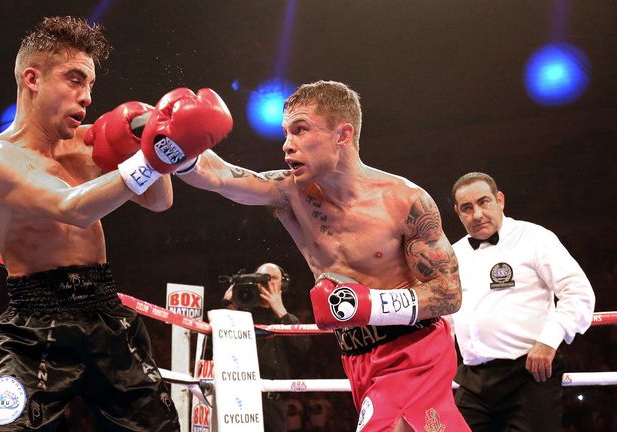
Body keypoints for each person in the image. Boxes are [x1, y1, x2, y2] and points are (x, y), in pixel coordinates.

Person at [0, 16, 231, 431]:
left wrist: (158, 140)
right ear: (32, 78)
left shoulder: (91, 140)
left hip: (106, 312)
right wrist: (154, 156)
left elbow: (159, 201)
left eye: (90, 84)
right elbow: (73, 206)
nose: (87, 97)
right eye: (74, 79)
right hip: (36, 322)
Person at [177, 80, 469, 431]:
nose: (287, 146)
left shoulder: (404, 201)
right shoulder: (289, 194)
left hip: (414, 350)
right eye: (285, 133)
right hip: (355, 357)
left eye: (300, 130)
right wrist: (171, 139)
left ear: (342, 135)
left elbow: (449, 293)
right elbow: (219, 176)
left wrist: (371, 305)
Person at [447, 172, 596, 431]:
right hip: (473, 380)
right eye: (467, 208)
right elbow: (446, 315)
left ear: (500, 200)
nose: (478, 215)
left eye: (484, 202)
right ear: (458, 212)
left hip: (528, 374)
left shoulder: (535, 238)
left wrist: (549, 340)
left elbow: (579, 292)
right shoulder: (455, 253)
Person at [221, 263, 310, 432]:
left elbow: (302, 348)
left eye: (272, 278)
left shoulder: (289, 319)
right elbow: (215, 346)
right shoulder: (239, 315)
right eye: (262, 278)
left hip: (275, 401)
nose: (267, 282)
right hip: (242, 399)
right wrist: (227, 305)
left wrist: (281, 312)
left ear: (282, 285)